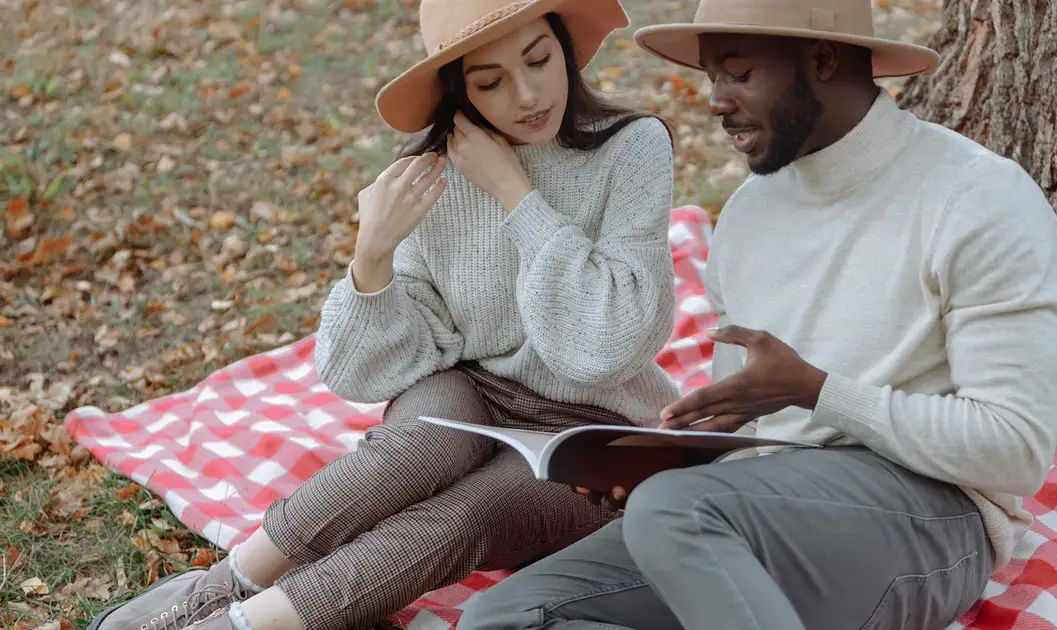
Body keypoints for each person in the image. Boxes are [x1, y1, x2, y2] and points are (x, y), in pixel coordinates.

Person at [457, 0, 1057, 628]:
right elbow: (753, 434)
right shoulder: (751, 213)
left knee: (674, 511)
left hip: (933, 518)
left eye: (739, 73)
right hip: (756, 509)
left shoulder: (978, 199)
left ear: (824, 59)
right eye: (710, 76)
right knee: (502, 617)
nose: (716, 101)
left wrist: (818, 392)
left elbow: (1015, 452)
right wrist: (668, 458)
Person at [89, 1, 682, 629]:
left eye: (539, 60)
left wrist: (516, 195)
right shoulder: (433, 176)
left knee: (471, 511)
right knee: (412, 451)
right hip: (479, 395)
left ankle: (242, 626)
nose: (528, 93)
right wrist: (370, 257)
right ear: (458, 87)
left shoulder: (631, 150)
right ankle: (226, 582)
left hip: (601, 432)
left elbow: (608, 343)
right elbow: (361, 373)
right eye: (490, 81)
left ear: (565, 49)